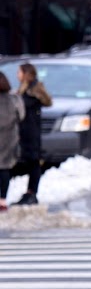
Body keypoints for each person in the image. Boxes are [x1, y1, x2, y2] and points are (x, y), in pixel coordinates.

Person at [14, 62, 52, 205]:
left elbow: (43, 102)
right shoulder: (24, 90)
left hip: (31, 132)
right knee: (29, 161)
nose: (17, 75)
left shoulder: (33, 90)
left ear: (26, 74)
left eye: (19, 72)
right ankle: (30, 191)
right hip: (24, 131)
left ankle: (32, 192)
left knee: (33, 161)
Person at [0, 72, 25, 211]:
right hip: (8, 138)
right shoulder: (14, 99)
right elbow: (21, 115)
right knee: (4, 169)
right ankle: (2, 200)